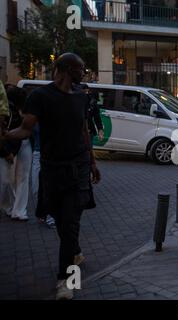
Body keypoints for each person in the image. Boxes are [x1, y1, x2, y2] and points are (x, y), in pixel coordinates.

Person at [1, 53, 101, 300]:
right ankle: (74, 251)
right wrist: (5, 136)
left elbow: (83, 130)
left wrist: (92, 161)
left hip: (77, 168)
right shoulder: (40, 96)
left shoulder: (80, 97)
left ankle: (64, 281)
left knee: (69, 222)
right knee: (59, 217)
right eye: (79, 69)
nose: (83, 73)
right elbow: (25, 130)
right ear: (66, 69)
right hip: (52, 169)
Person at [0, 86, 32, 221]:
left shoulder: (24, 111)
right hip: (9, 147)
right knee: (7, 180)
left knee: (21, 178)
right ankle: (10, 207)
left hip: (23, 144)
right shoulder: (7, 112)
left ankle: (18, 210)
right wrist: (8, 152)